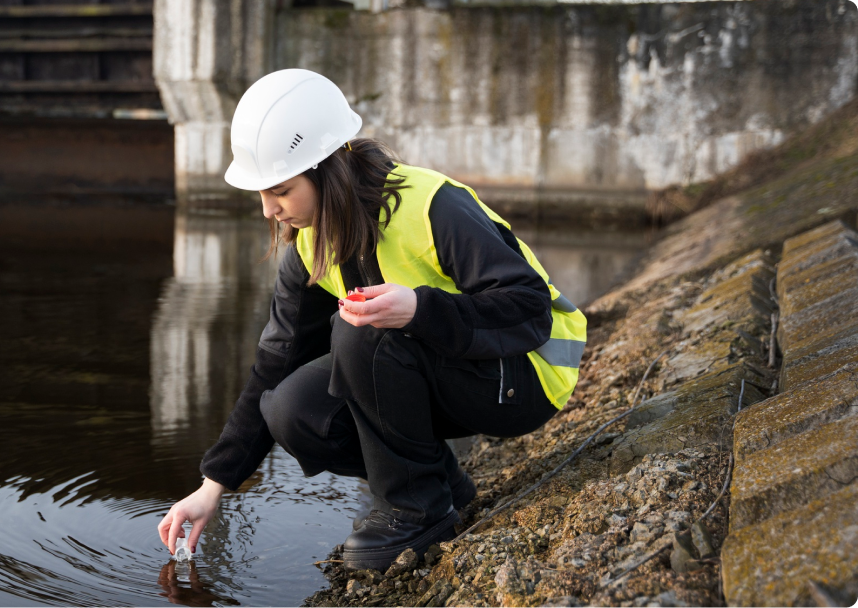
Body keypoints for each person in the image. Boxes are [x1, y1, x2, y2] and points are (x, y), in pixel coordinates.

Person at [157, 69, 586, 571]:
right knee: (290, 409)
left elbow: (529, 307)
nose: (270, 210)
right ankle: (441, 486)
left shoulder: (431, 206)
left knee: (360, 333)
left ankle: (415, 511)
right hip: (457, 371)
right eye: (262, 193)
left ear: (327, 169)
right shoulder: (309, 246)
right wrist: (214, 486)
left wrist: (422, 310)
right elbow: (273, 366)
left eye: (281, 190)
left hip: (526, 376)